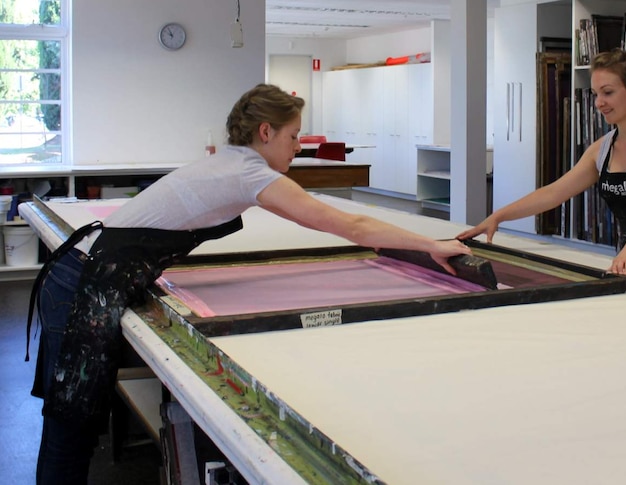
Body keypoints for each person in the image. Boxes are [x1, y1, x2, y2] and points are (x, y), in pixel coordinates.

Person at [27, 83, 472, 484]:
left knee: (73, 427)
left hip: (83, 276)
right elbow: (349, 224)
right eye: (293, 136)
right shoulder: (250, 173)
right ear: (265, 132)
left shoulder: (231, 162)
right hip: (83, 288)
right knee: (71, 428)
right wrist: (431, 244)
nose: (298, 146)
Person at [459, 48, 626, 276]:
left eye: (608, 92)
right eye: (596, 94)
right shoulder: (602, 149)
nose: (598, 103)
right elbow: (554, 193)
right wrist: (498, 216)